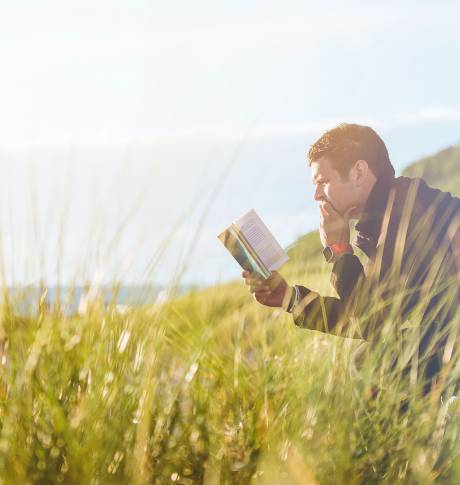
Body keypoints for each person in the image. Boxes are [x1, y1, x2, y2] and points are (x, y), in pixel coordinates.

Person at [243, 123, 460, 395]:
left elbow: (372, 322)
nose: (316, 195)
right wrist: (289, 298)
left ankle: (421, 436)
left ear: (359, 172)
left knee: (369, 359)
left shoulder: (408, 214)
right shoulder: (388, 216)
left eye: (323, 181)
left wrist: (338, 249)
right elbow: (368, 314)